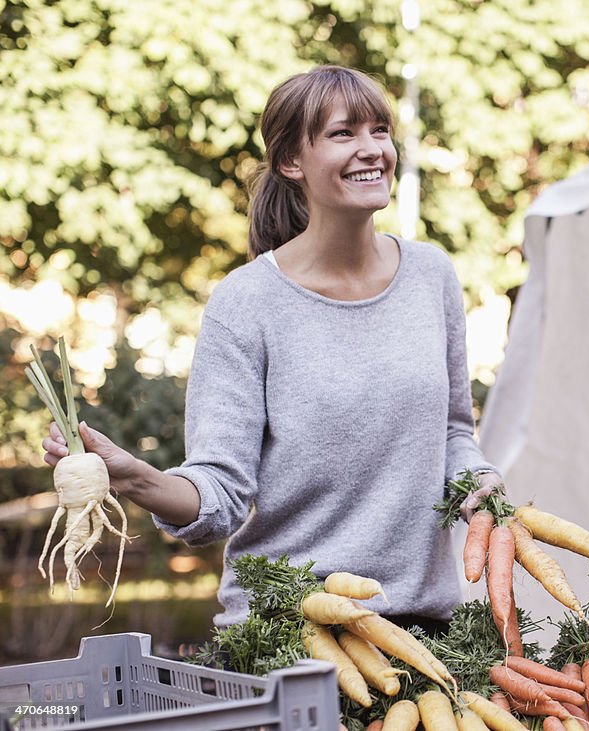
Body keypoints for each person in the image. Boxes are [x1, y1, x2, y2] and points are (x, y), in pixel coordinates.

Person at [42, 65, 502, 632]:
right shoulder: (246, 304)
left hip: (425, 628)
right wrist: (135, 478)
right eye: (343, 134)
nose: (372, 150)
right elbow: (221, 493)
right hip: (290, 631)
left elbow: (454, 432)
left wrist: (479, 480)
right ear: (291, 161)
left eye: (379, 131)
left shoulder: (432, 277)